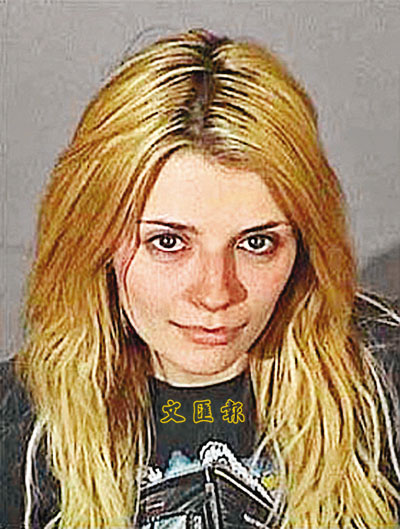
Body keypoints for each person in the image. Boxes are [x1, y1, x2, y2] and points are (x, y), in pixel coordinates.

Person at [1, 28, 399, 529]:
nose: (215, 294)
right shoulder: (18, 425)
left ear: (304, 247)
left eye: (257, 243)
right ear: (94, 239)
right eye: (168, 241)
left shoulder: (381, 382)